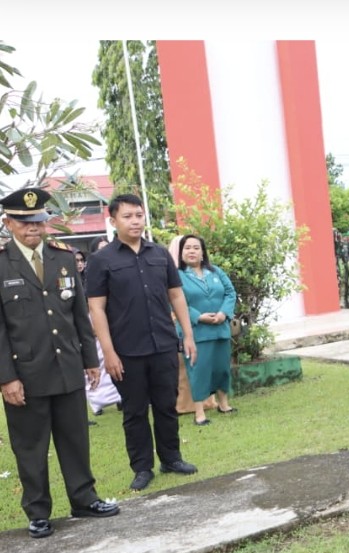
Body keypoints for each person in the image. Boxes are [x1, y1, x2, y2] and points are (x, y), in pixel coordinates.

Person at [0, 187, 119, 538]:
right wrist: (6, 378)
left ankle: (84, 499)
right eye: (24, 222)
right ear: (8, 223)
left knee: (75, 439)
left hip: (67, 366)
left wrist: (90, 360)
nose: (32, 228)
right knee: (30, 447)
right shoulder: (2, 264)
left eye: (38, 221)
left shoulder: (63, 258)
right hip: (26, 374)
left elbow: (79, 314)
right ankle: (38, 512)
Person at [86, 194, 199, 492]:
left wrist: (188, 335)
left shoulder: (160, 254)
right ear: (113, 220)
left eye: (139, 215)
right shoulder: (101, 260)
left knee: (166, 405)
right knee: (135, 411)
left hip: (163, 343)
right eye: (127, 216)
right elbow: (96, 307)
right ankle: (142, 467)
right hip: (126, 351)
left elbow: (176, 295)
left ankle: (171, 458)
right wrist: (108, 352)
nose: (135, 221)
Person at [176, 234, 237, 426]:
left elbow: (230, 293)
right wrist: (198, 316)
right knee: (198, 371)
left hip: (220, 329)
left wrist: (223, 313)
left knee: (221, 368)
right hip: (196, 332)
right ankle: (199, 413)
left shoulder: (216, 271)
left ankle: (224, 404)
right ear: (181, 253)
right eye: (187, 248)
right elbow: (174, 302)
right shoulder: (176, 275)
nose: (192, 251)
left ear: (203, 252)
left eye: (196, 247)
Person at [82, 236, 122, 416]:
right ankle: (97, 401)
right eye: (100, 248)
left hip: (115, 320)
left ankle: (119, 397)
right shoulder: (90, 271)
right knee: (98, 360)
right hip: (93, 319)